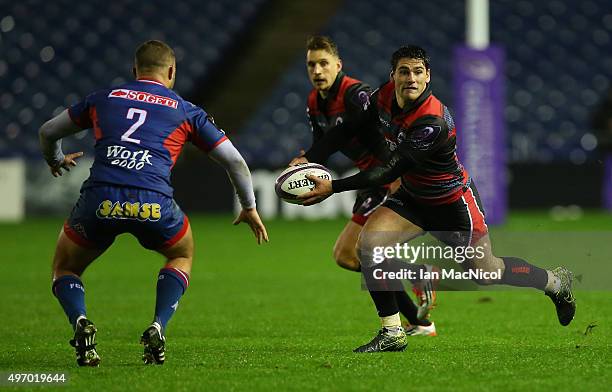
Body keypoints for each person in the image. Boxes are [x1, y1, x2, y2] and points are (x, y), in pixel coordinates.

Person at [297, 45, 576, 353]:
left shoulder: (432, 121)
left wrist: (332, 186)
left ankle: (554, 283)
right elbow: (348, 129)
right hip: (413, 200)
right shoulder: (384, 96)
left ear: (428, 76)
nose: (411, 78)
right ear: (393, 76)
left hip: (451, 205)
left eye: (418, 72)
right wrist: (307, 158)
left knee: (487, 272)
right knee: (369, 247)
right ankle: (392, 332)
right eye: (404, 71)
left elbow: (388, 170)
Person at [39, 40, 269, 366]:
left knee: (65, 266)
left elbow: (48, 131)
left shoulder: (103, 98)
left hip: (100, 201)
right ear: (172, 72)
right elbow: (235, 163)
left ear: (134, 71)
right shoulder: (187, 111)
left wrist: (56, 159)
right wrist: (249, 206)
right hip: (154, 205)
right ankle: (158, 326)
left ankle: (80, 323)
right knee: (181, 253)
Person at [292, 36, 437, 336]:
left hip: (386, 179)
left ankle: (415, 281)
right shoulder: (313, 102)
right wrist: (306, 161)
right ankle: (420, 322)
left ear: (338, 65)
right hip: (369, 180)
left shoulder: (356, 94)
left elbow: (380, 129)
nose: (317, 70)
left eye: (323, 63)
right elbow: (326, 143)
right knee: (349, 256)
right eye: (311, 65)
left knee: (354, 253)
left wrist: (394, 175)